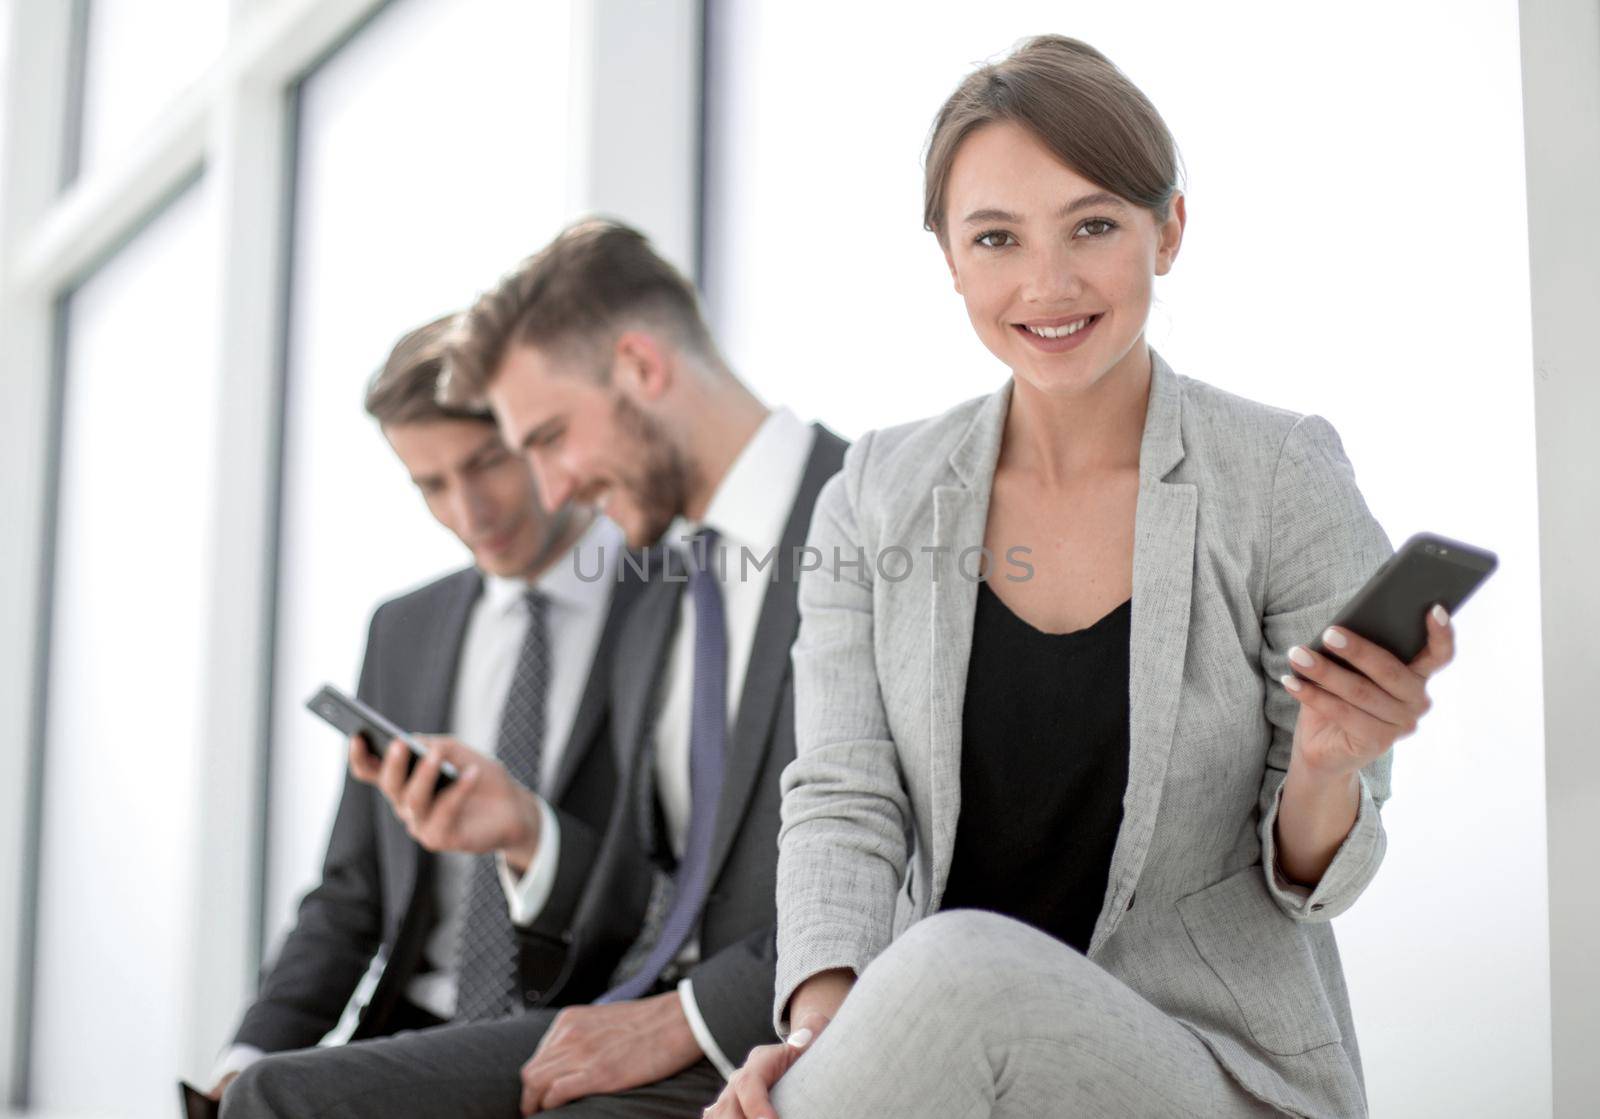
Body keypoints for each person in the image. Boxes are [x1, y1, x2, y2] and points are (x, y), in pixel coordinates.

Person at [711, 35, 1457, 1119]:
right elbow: (842, 797)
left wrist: (1331, 766)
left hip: (1212, 1067)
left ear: (1170, 230)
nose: (1046, 285)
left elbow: (1315, 878)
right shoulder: (873, 490)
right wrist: (825, 1038)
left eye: (1093, 226)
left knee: (955, 965)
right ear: (950, 259)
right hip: (952, 1068)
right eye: (997, 239)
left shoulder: (1278, 475)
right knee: (921, 993)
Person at [221, 219, 849, 1119]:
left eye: (533, 444)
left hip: (732, 1017)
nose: (539, 494)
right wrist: (523, 828)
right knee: (268, 1094)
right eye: (431, 484)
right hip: (602, 998)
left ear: (639, 368)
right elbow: (654, 887)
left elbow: (902, 850)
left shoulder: (854, 519)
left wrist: (691, 1012)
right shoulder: (675, 587)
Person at [211, 315, 634, 1100]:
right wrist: (244, 1057)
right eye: (431, 484)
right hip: (411, 1027)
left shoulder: (662, 600)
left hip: (586, 1025)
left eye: (488, 463)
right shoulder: (404, 630)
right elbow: (352, 892)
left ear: (541, 435)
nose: (470, 511)